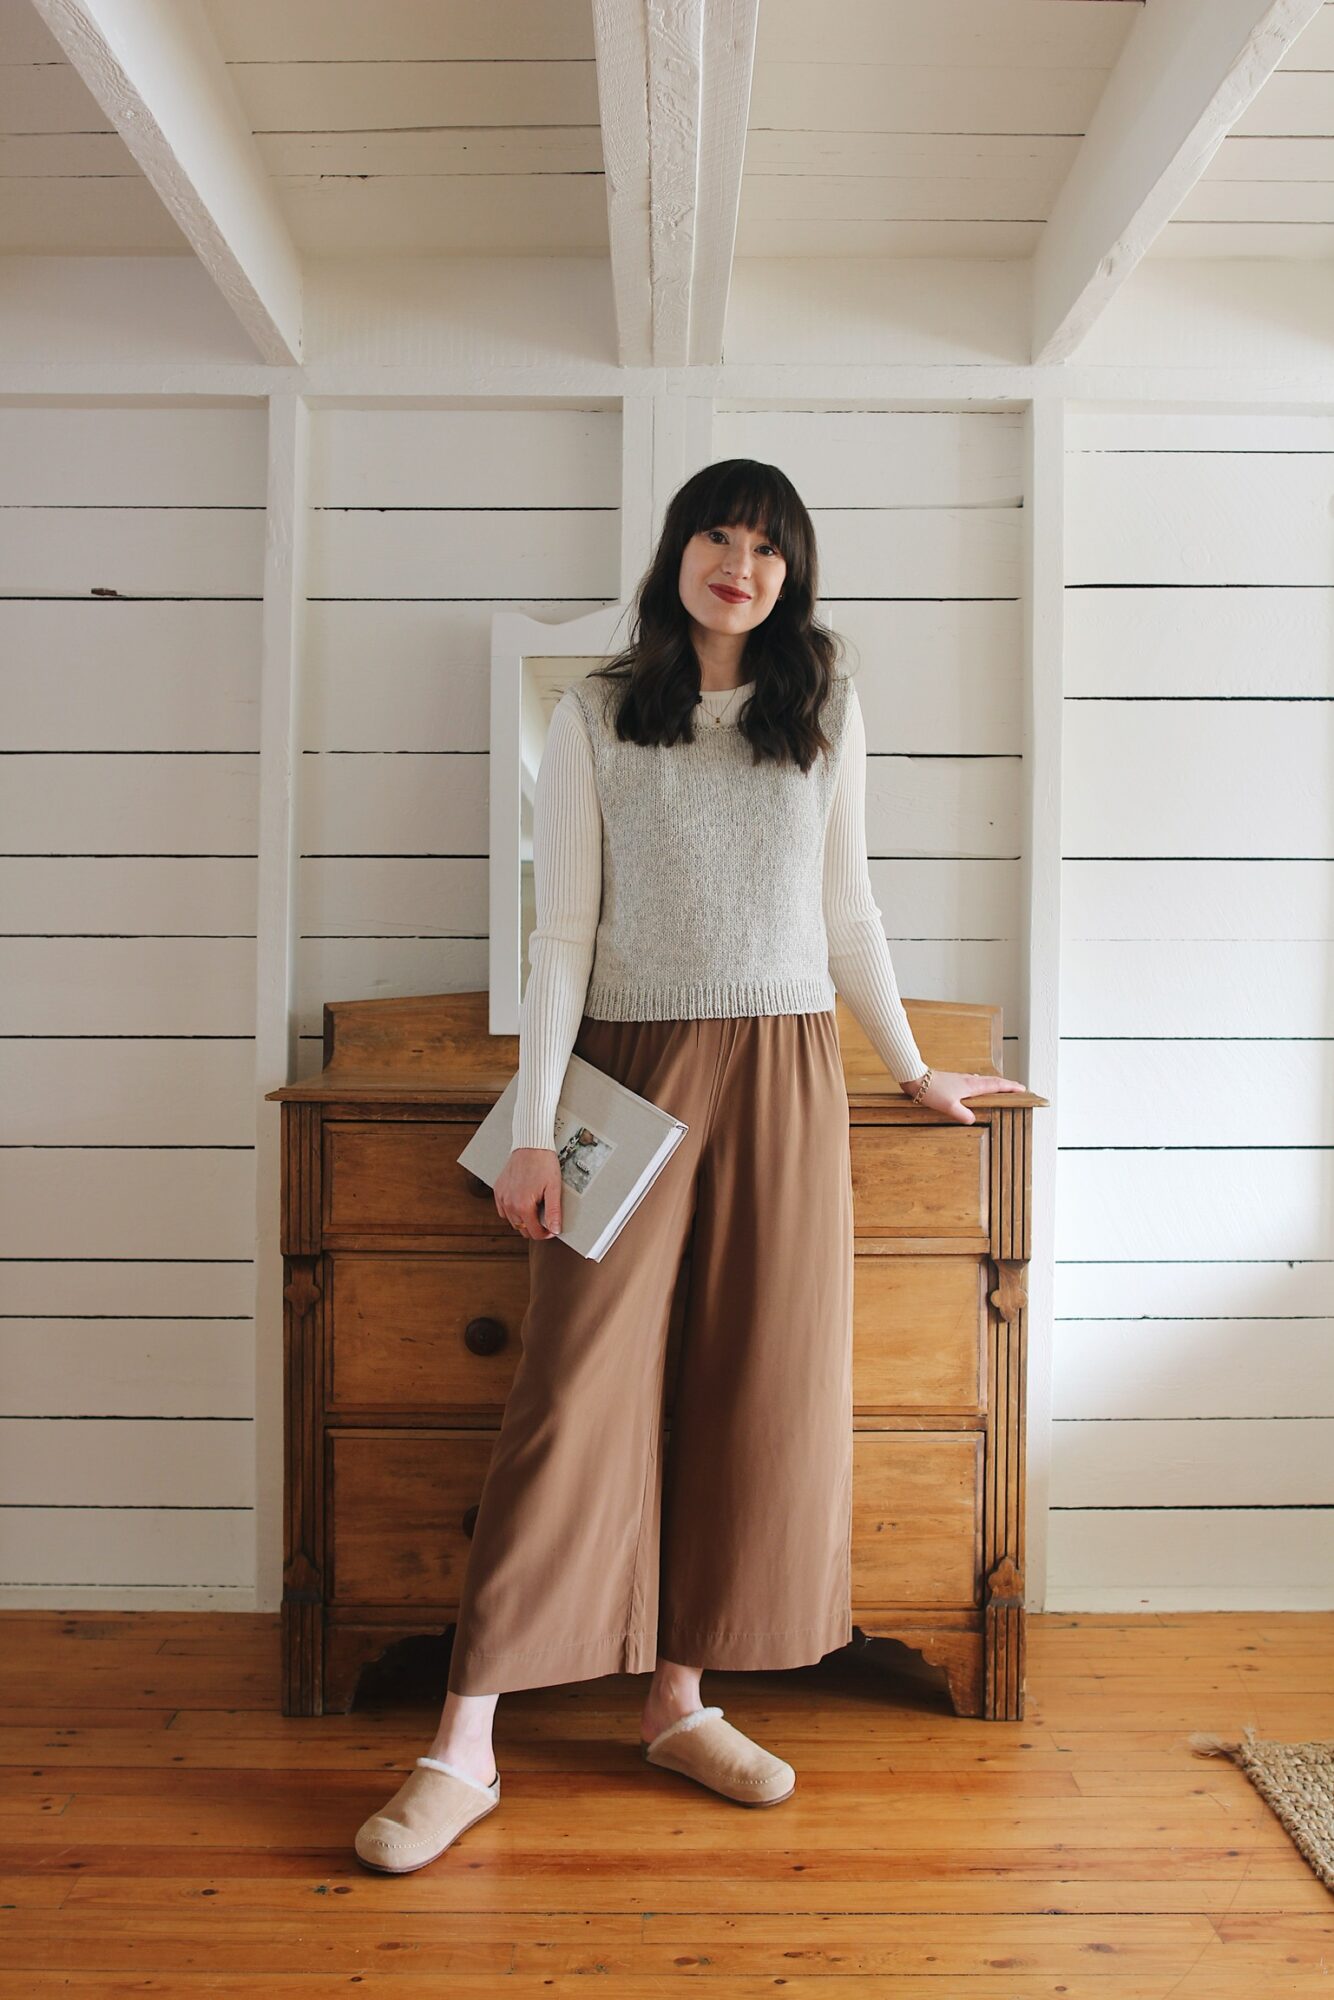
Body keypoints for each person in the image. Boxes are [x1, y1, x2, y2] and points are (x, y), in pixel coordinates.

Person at [354, 457, 1028, 1874]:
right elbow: (560, 940)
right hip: (626, 1070)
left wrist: (907, 1066)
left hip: (788, 1073)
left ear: (795, 571)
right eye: (720, 536)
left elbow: (846, 907)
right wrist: (532, 1129)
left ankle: (679, 1700)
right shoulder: (596, 712)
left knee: (750, 1387)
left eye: (770, 545)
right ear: (677, 551)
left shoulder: (822, 702)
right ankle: (463, 1742)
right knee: (571, 1391)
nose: (743, 563)